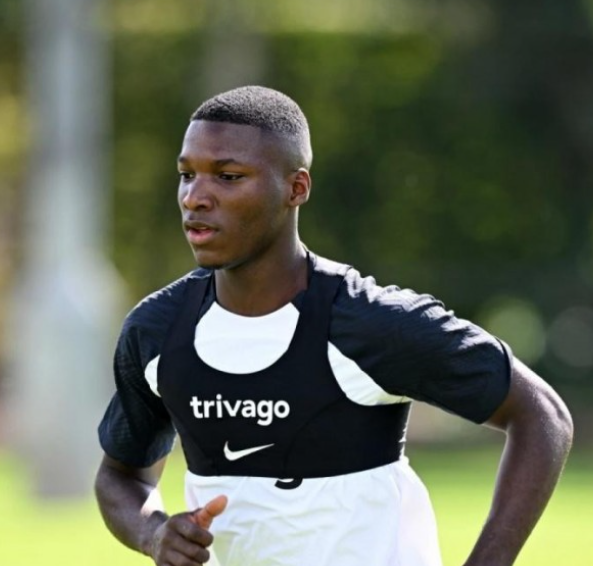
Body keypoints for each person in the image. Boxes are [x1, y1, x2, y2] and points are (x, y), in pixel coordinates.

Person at [95, 85, 573, 566]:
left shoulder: (371, 324)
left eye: (228, 176)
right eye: (186, 174)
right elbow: (121, 475)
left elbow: (543, 416)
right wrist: (153, 534)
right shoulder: (157, 331)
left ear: (296, 188)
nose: (195, 197)